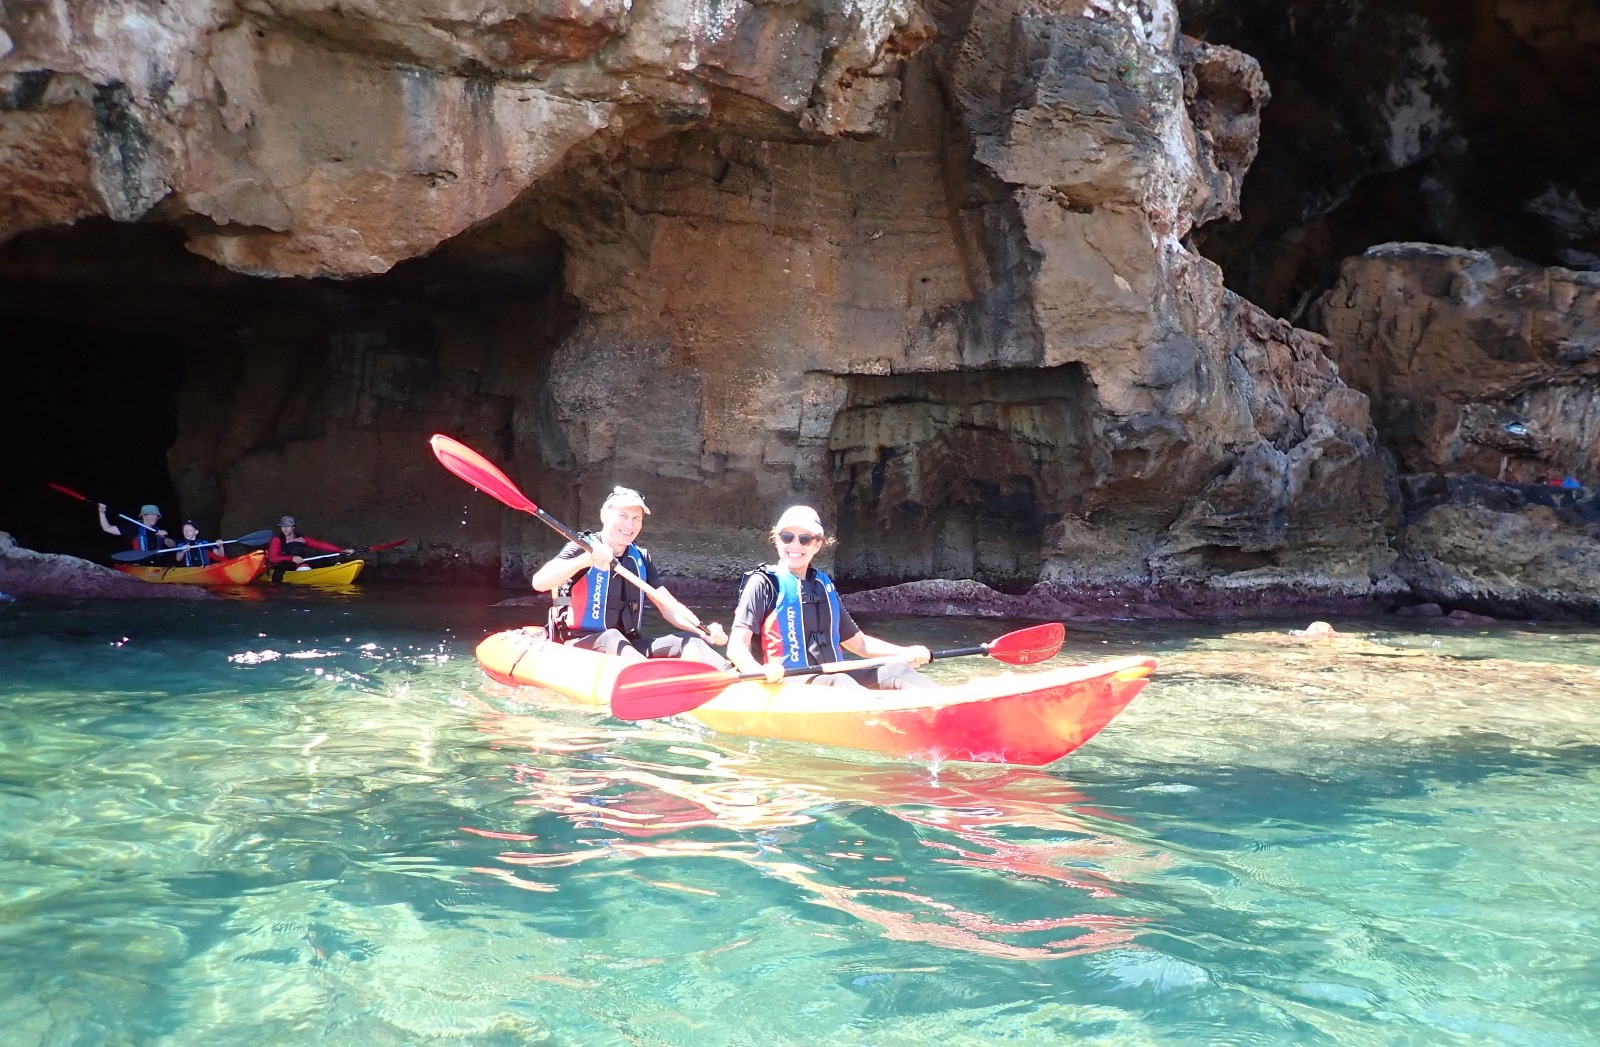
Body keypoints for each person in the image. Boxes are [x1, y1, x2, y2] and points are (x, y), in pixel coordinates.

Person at [726, 505, 933, 689]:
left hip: (831, 676)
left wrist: (904, 652)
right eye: (787, 537)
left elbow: (860, 644)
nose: (795, 545)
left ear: (817, 545)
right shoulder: (763, 583)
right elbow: (736, 647)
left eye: (805, 539)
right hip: (787, 682)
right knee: (841, 682)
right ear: (777, 541)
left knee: (896, 670)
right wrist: (758, 672)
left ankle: (949, 704)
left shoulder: (823, 585)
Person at [530, 486, 727, 665]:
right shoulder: (582, 546)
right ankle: (649, 679)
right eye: (623, 516)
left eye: (636, 519)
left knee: (688, 642)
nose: (629, 525)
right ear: (605, 516)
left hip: (628, 646)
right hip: (581, 644)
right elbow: (539, 582)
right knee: (612, 637)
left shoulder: (640, 558)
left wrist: (703, 631)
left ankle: (734, 677)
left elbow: (669, 608)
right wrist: (586, 561)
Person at [266, 515, 353, 582]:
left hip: (301, 562)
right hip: (285, 565)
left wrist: (342, 551)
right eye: (283, 527)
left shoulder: (302, 538)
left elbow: (320, 545)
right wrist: (292, 558)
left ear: (293, 527)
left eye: (288, 526)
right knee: (282, 569)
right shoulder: (277, 540)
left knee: (318, 556)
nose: (285, 529)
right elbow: (272, 558)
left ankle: (334, 567)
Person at [98, 502, 175, 553]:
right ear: (144, 516)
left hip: (157, 566)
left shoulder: (159, 530)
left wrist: (165, 538)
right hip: (139, 564)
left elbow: (172, 545)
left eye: (156, 515)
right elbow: (107, 528)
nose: (154, 517)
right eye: (151, 514)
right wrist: (102, 513)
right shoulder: (133, 528)